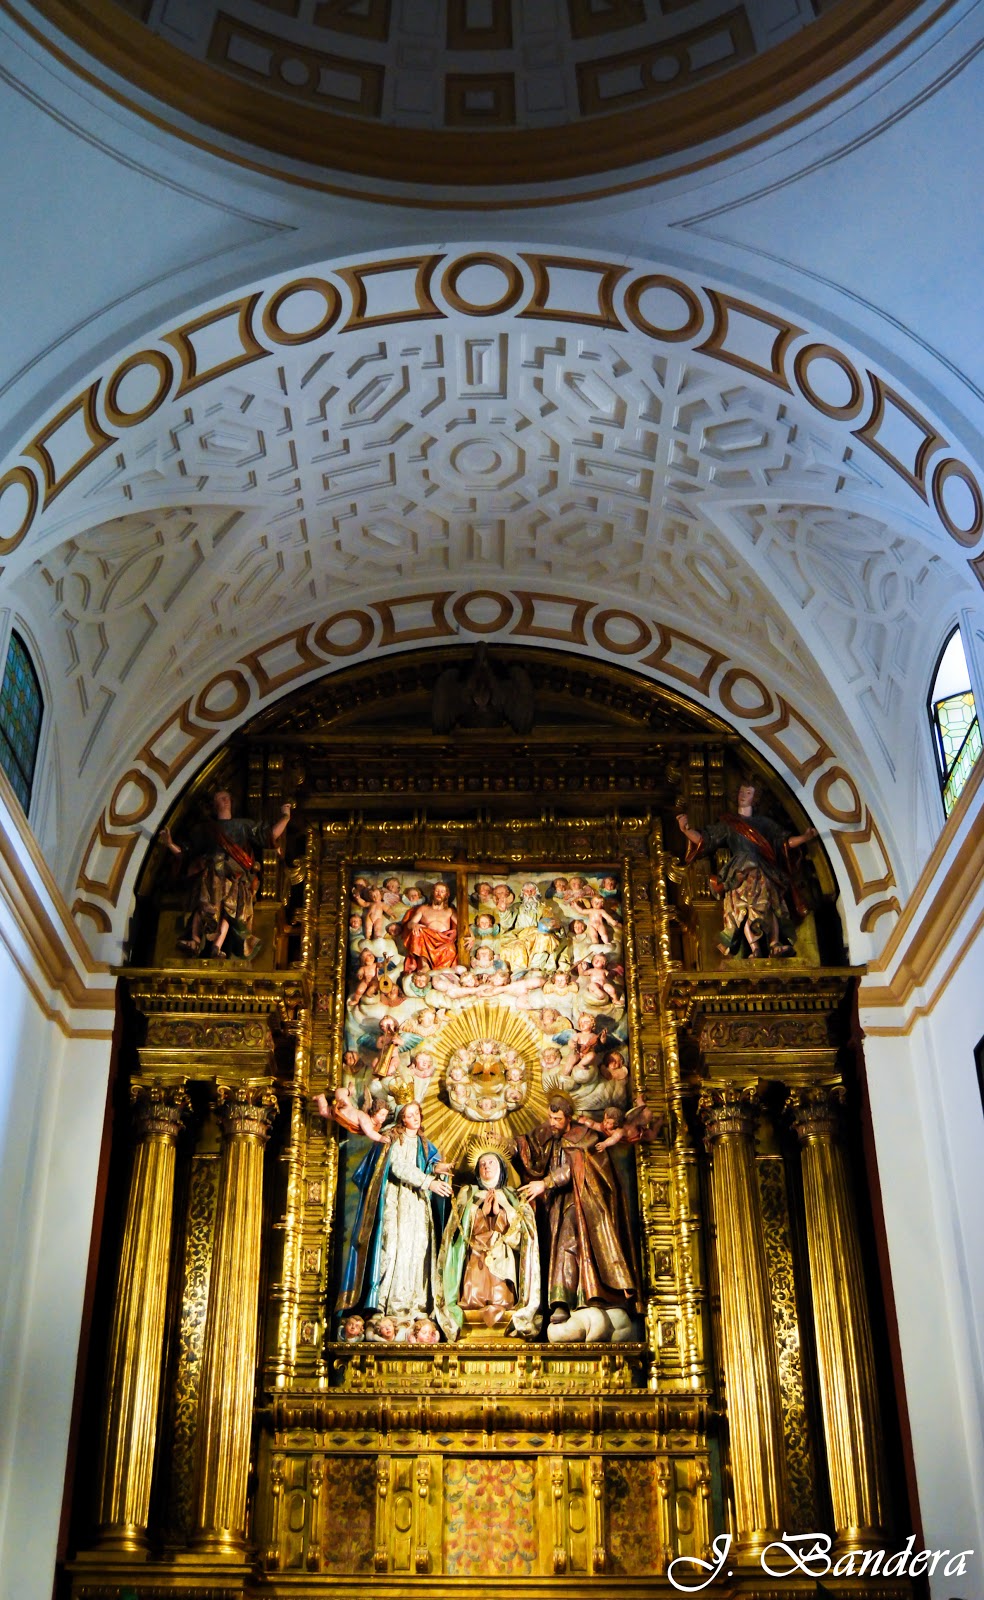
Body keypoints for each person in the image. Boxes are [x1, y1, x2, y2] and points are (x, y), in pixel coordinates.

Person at [515, 1093, 641, 1329]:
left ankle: (565, 1300)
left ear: (569, 1118)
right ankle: (562, 1299)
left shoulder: (586, 1137)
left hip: (583, 1201)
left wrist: (546, 1182)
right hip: (555, 1204)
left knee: (568, 1242)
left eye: (558, 1119)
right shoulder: (549, 1133)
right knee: (554, 1247)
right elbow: (528, 1147)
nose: (552, 1122)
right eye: (550, 1117)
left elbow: (576, 1166)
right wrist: (505, 1143)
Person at [336, 1101, 452, 1330]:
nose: (415, 1118)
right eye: (409, 1115)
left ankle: (418, 1304)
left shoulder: (425, 1144)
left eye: (417, 1113)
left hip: (419, 1204)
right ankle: (387, 1305)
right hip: (396, 1202)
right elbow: (398, 1166)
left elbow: (428, 1164)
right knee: (394, 1247)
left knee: (420, 1250)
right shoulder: (393, 1139)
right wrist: (428, 1181)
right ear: (402, 1119)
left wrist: (438, 1170)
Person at [676, 781, 818, 958]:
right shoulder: (729, 823)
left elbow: (783, 843)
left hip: (762, 870)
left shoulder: (764, 824)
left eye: (748, 793)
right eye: (742, 792)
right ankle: (755, 948)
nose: (743, 796)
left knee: (770, 903)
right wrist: (686, 830)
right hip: (739, 873)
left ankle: (774, 943)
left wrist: (805, 837)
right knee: (742, 908)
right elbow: (706, 839)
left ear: (755, 798)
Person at [159, 789, 292, 959]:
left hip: (234, 877)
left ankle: (217, 946)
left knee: (229, 910)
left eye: (227, 797)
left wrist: (286, 817)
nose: (225, 801)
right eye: (221, 799)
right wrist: (170, 844)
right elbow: (186, 854)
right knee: (203, 903)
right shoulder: (205, 830)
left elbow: (269, 834)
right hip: (210, 875)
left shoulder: (243, 825)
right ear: (214, 806)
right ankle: (194, 939)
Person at [436, 1148, 541, 1340]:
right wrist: (478, 1211)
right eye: (482, 1164)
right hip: (475, 1254)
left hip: (502, 1255)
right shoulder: (468, 1192)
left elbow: (524, 1235)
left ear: (501, 1167)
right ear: (478, 1171)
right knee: (473, 1297)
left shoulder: (511, 1195)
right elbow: (456, 1229)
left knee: (502, 1298)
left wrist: (503, 1210)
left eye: (491, 1162)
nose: (486, 1166)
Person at [402, 882, 458, 970]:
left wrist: (472, 936)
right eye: (437, 891)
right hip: (426, 939)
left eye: (442, 892)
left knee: (450, 948)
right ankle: (425, 965)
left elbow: (462, 926)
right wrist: (414, 925)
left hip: (444, 940)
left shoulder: (450, 911)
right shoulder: (423, 909)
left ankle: (443, 969)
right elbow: (410, 923)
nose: (439, 894)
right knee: (418, 932)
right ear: (433, 893)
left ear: (447, 895)